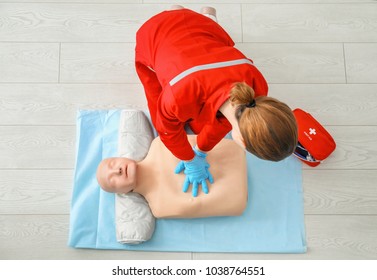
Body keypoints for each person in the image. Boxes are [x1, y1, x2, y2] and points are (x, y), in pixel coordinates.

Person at [135, 6, 298, 197]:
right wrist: (188, 158)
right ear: (242, 142)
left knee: (199, 127)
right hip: (155, 32)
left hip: (199, 29)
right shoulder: (178, 97)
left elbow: (222, 123)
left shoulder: (258, 85)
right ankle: (177, 11)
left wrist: (202, 150)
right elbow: (168, 132)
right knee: (160, 115)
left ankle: (190, 13)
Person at [96, 135, 247, 218]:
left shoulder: (160, 143)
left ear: (122, 157)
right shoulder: (159, 208)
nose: (117, 171)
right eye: (113, 180)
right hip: (236, 197)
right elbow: (204, 206)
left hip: (237, 151)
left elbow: (202, 142)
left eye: (113, 163)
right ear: (122, 193)